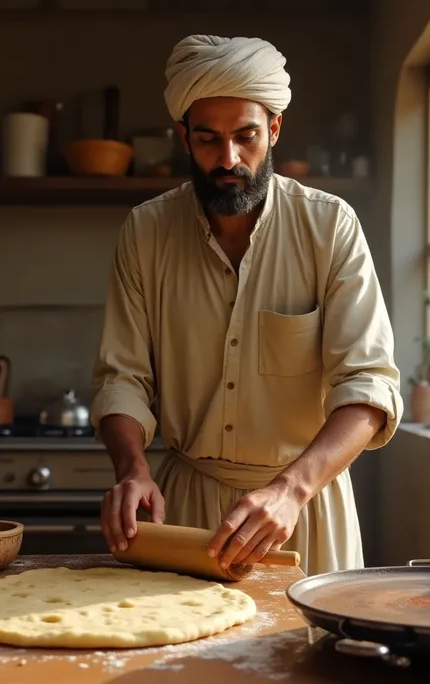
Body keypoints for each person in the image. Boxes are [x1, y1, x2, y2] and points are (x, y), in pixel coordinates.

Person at [91, 34, 403, 576]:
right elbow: (123, 379)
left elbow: (370, 386)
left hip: (302, 507)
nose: (228, 159)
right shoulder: (146, 232)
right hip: (182, 513)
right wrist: (132, 468)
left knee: (309, 658)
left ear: (274, 130)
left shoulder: (330, 227)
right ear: (184, 137)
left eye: (247, 136)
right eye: (209, 139)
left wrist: (290, 489)